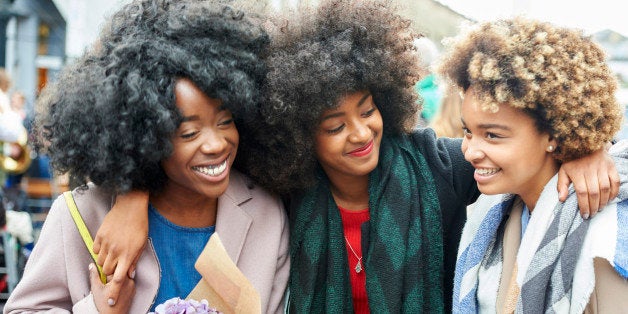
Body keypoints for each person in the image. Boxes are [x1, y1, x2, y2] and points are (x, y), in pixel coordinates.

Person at [94, 0, 620, 312]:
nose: (360, 132)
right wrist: (131, 193)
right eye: (333, 125)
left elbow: (523, 152)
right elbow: (196, 159)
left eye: (367, 109)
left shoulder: (438, 166)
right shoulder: (286, 186)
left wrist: (588, 151)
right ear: (301, 135)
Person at [3, 0, 289, 313]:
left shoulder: (266, 215)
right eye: (189, 133)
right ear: (145, 136)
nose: (216, 144)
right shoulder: (80, 214)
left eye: (225, 121)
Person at [440, 17, 628, 313]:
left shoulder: (607, 238)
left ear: (554, 133)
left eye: (492, 135)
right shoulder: (503, 211)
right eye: (468, 131)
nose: (470, 151)